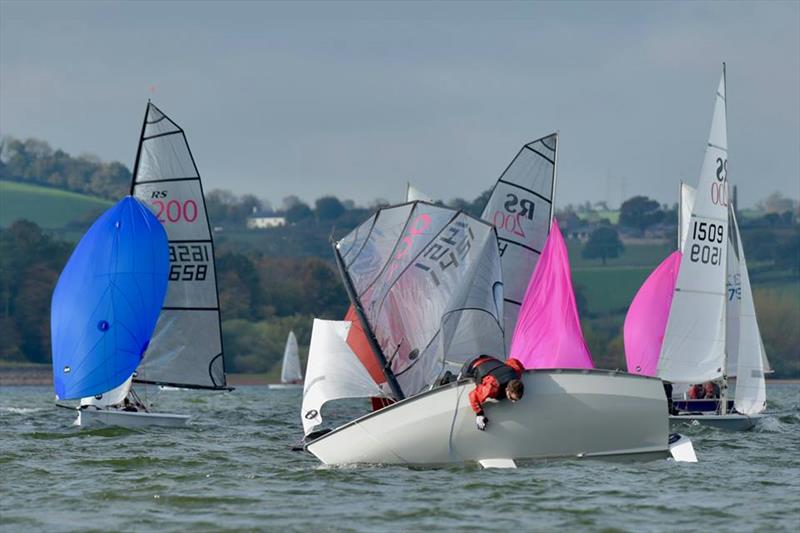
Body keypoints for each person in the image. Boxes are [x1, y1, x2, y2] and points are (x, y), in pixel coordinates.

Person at [460, 355, 525, 431]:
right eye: (511, 398)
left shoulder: (516, 372)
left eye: (516, 399)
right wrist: (479, 414)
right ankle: (449, 377)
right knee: (462, 381)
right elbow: (473, 395)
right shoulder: (492, 388)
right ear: (507, 390)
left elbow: (513, 361)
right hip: (472, 365)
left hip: (491, 359)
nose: (513, 402)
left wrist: (523, 368)